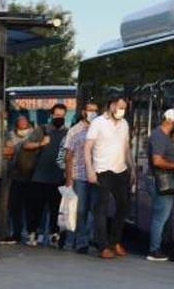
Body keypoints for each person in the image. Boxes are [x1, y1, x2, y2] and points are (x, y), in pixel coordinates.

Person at [86, 96, 132, 259]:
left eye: (124, 108)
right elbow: (87, 148)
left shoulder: (124, 124)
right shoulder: (98, 122)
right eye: (120, 107)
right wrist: (90, 170)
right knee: (102, 207)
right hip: (102, 169)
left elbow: (126, 147)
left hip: (120, 169)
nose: (122, 111)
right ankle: (102, 245)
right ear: (112, 106)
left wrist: (131, 168)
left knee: (124, 206)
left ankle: (115, 241)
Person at [146, 109, 174, 261]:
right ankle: (154, 250)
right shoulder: (159, 136)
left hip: (165, 179)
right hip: (162, 181)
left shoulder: (162, 136)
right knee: (160, 216)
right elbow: (157, 160)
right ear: (170, 121)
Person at [23, 103, 69, 246]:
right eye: (56, 115)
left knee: (57, 209)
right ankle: (33, 233)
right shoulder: (42, 130)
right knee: (35, 208)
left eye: (61, 116)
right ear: (51, 115)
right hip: (39, 177)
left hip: (58, 178)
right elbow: (26, 145)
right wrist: (40, 144)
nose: (59, 118)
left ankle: (54, 235)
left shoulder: (68, 133)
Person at [63, 100, 99, 254]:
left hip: (98, 175)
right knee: (81, 209)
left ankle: (89, 237)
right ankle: (81, 241)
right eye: (90, 110)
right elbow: (69, 156)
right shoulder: (74, 131)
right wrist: (68, 177)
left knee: (96, 209)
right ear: (84, 112)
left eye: (95, 110)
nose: (93, 113)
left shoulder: (100, 129)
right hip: (80, 176)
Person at [1, 114, 34, 244]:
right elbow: (6, 151)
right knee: (13, 205)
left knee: (29, 205)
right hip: (13, 175)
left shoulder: (34, 134)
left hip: (30, 175)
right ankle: (15, 231)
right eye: (20, 122)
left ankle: (30, 232)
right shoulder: (9, 135)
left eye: (24, 122)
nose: (22, 124)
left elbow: (9, 151)